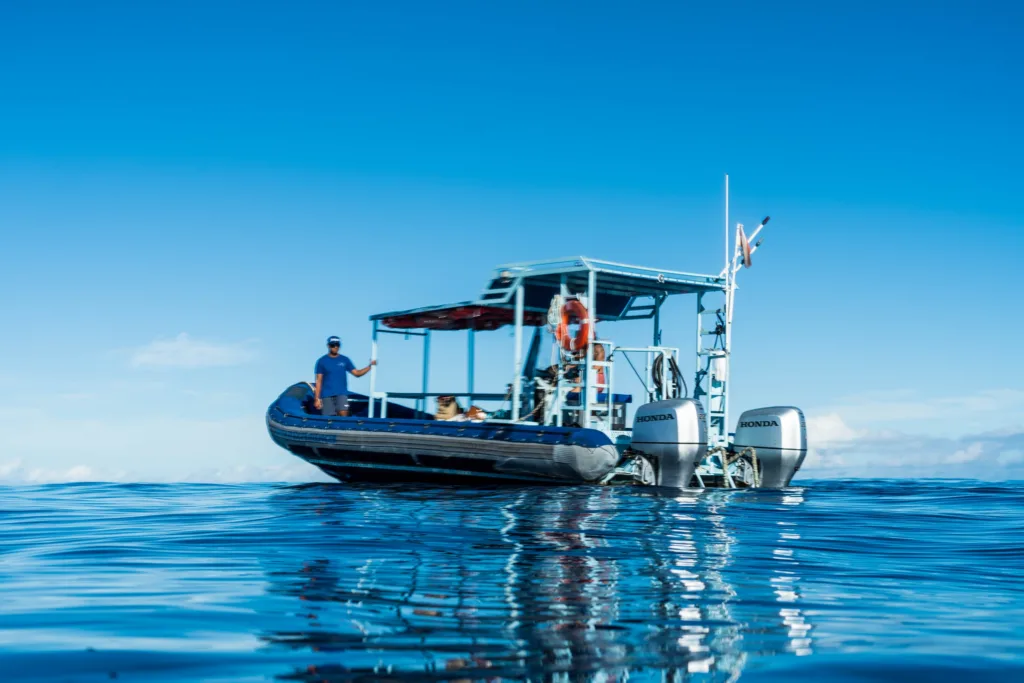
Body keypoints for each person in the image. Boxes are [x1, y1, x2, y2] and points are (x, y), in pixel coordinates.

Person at [314, 336, 376, 416]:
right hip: (327, 395)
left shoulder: (345, 360)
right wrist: (317, 398)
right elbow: (318, 381)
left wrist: (370, 366)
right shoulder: (321, 361)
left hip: (341, 394)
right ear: (328, 346)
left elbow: (357, 373)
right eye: (333, 345)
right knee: (328, 420)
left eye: (337, 345)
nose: (336, 347)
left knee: (343, 416)